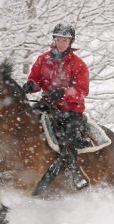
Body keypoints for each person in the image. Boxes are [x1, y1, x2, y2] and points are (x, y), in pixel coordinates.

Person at [22, 23, 90, 190]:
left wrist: (63, 93)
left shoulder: (78, 64)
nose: (61, 42)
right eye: (59, 39)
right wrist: (31, 85)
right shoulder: (43, 59)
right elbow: (36, 79)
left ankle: (76, 174)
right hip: (47, 104)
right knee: (24, 122)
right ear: (54, 39)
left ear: (71, 42)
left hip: (70, 109)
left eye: (65, 40)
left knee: (67, 137)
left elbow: (82, 90)